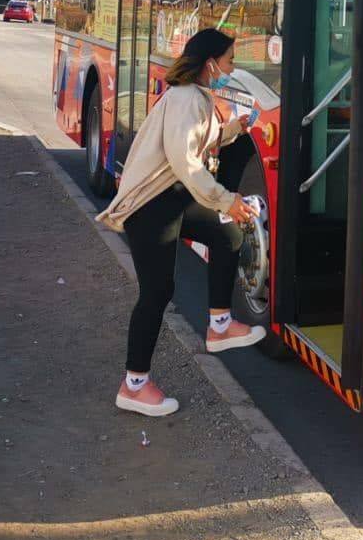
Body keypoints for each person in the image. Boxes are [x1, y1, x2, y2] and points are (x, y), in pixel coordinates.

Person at [96, 28, 264, 417]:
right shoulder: (188, 98)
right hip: (149, 207)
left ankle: (220, 325)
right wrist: (228, 199)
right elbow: (186, 163)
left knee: (226, 231)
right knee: (157, 293)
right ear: (210, 64)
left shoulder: (195, 97)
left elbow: (196, 144)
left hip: (169, 201)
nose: (232, 68)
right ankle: (134, 385)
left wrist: (235, 129)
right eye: (229, 61)